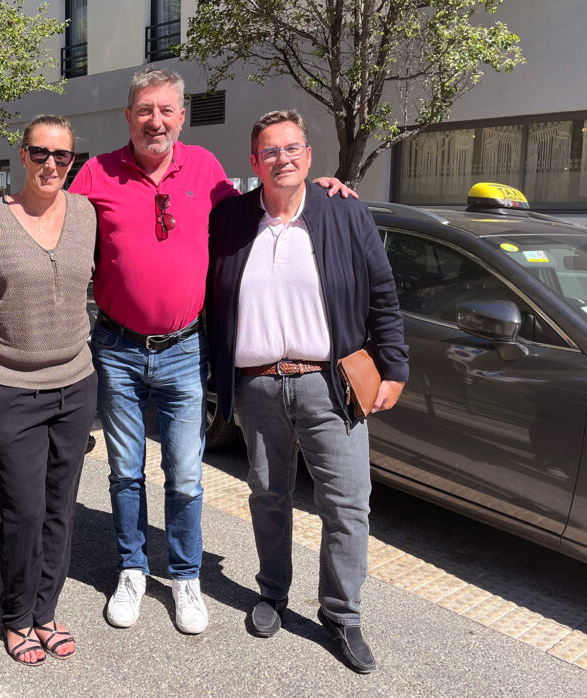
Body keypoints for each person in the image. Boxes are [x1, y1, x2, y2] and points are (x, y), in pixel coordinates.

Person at [0, 68, 355, 636]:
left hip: (184, 348)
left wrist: (321, 192)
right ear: (129, 117)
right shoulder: (95, 172)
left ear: (182, 117)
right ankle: (133, 568)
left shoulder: (208, 171)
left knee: (187, 474)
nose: (156, 121)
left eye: (167, 110)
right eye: (145, 110)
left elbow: (262, 209)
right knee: (124, 472)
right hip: (116, 348)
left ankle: (186, 575)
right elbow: (41, 206)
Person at [206, 110, 408, 673]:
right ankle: (272, 592)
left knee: (347, 504)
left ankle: (341, 615)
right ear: (254, 162)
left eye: (292, 148)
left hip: (330, 384)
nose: (282, 159)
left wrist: (394, 368)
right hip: (258, 388)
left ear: (309, 156)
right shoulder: (229, 221)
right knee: (267, 496)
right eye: (270, 152)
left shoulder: (344, 212)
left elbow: (382, 294)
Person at [0, 115, 98, 666]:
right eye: (40, 153)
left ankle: (46, 612)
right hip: (12, 389)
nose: (51, 164)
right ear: (22, 157)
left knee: (60, 507)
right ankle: (16, 617)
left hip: (76, 385)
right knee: (22, 512)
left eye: (63, 156)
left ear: (72, 162)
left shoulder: (86, 215)